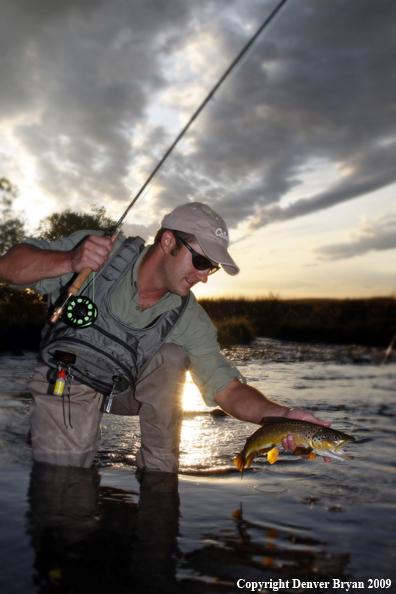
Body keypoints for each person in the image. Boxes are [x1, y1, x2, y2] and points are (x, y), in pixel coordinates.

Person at [0, 202, 331, 472]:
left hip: (122, 389)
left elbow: (227, 389)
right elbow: (8, 268)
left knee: (172, 355)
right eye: (201, 261)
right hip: (67, 378)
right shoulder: (99, 252)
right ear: (168, 241)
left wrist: (284, 417)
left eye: (211, 268)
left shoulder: (189, 316)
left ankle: (159, 482)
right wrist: (69, 261)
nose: (203, 277)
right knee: (65, 488)